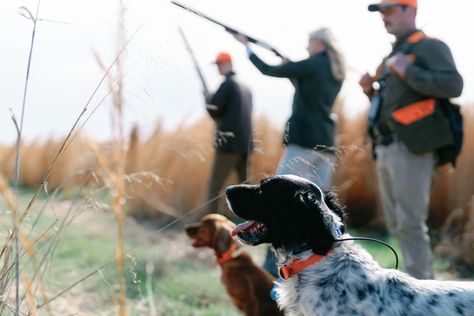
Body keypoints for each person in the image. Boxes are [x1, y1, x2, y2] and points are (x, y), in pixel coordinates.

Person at [359, 0, 463, 279]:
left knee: (410, 224)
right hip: (386, 147)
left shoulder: (430, 47)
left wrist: (408, 70)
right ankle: (417, 283)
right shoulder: (394, 54)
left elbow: (454, 85)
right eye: (382, 12)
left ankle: (422, 292)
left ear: (412, 10)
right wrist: (371, 91)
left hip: (411, 148)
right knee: (398, 225)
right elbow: (392, 104)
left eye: (391, 10)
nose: (384, 17)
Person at [234, 28, 346, 276]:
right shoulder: (334, 68)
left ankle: (271, 269)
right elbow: (303, 83)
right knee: (315, 209)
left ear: (321, 43)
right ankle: (315, 266)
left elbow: (269, 70)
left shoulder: (314, 63)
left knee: (276, 202)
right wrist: (289, 62)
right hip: (326, 143)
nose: (307, 47)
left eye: (310, 42)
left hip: (304, 141)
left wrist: (247, 47)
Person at [204, 52, 253, 214]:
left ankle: (211, 223)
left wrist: (207, 98)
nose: (219, 67)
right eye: (218, 65)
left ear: (230, 65)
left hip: (228, 146)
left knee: (214, 186)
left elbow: (214, 110)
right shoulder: (246, 87)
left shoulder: (227, 85)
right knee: (247, 188)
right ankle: (253, 223)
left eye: (221, 64)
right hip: (246, 145)